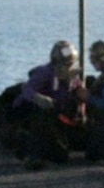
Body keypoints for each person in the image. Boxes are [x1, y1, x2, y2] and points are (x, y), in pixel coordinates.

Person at [10, 40, 85, 169]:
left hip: (55, 115)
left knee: (60, 157)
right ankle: (32, 153)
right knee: (42, 113)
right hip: (31, 113)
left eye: (71, 64)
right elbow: (27, 90)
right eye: (67, 65)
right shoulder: (45, 73)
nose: (70, 68)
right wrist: (39, 98)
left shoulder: (73, 79)